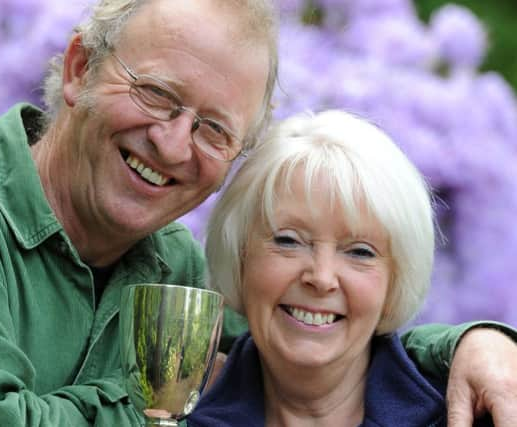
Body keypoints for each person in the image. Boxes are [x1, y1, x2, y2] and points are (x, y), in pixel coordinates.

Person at [0, 0, 515, 425]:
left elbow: (302, 337)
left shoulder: (172, 264)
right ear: (78, 70)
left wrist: (470, 345)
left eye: (213, 130)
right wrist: (156, 403)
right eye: (156, 94)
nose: (173, 145)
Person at [188, 110, 501, 426]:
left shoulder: (475, 415)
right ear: (240, 255)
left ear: (395, 281)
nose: (321, 278)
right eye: (288, 241)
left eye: (361, 252)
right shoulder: (169, 408)